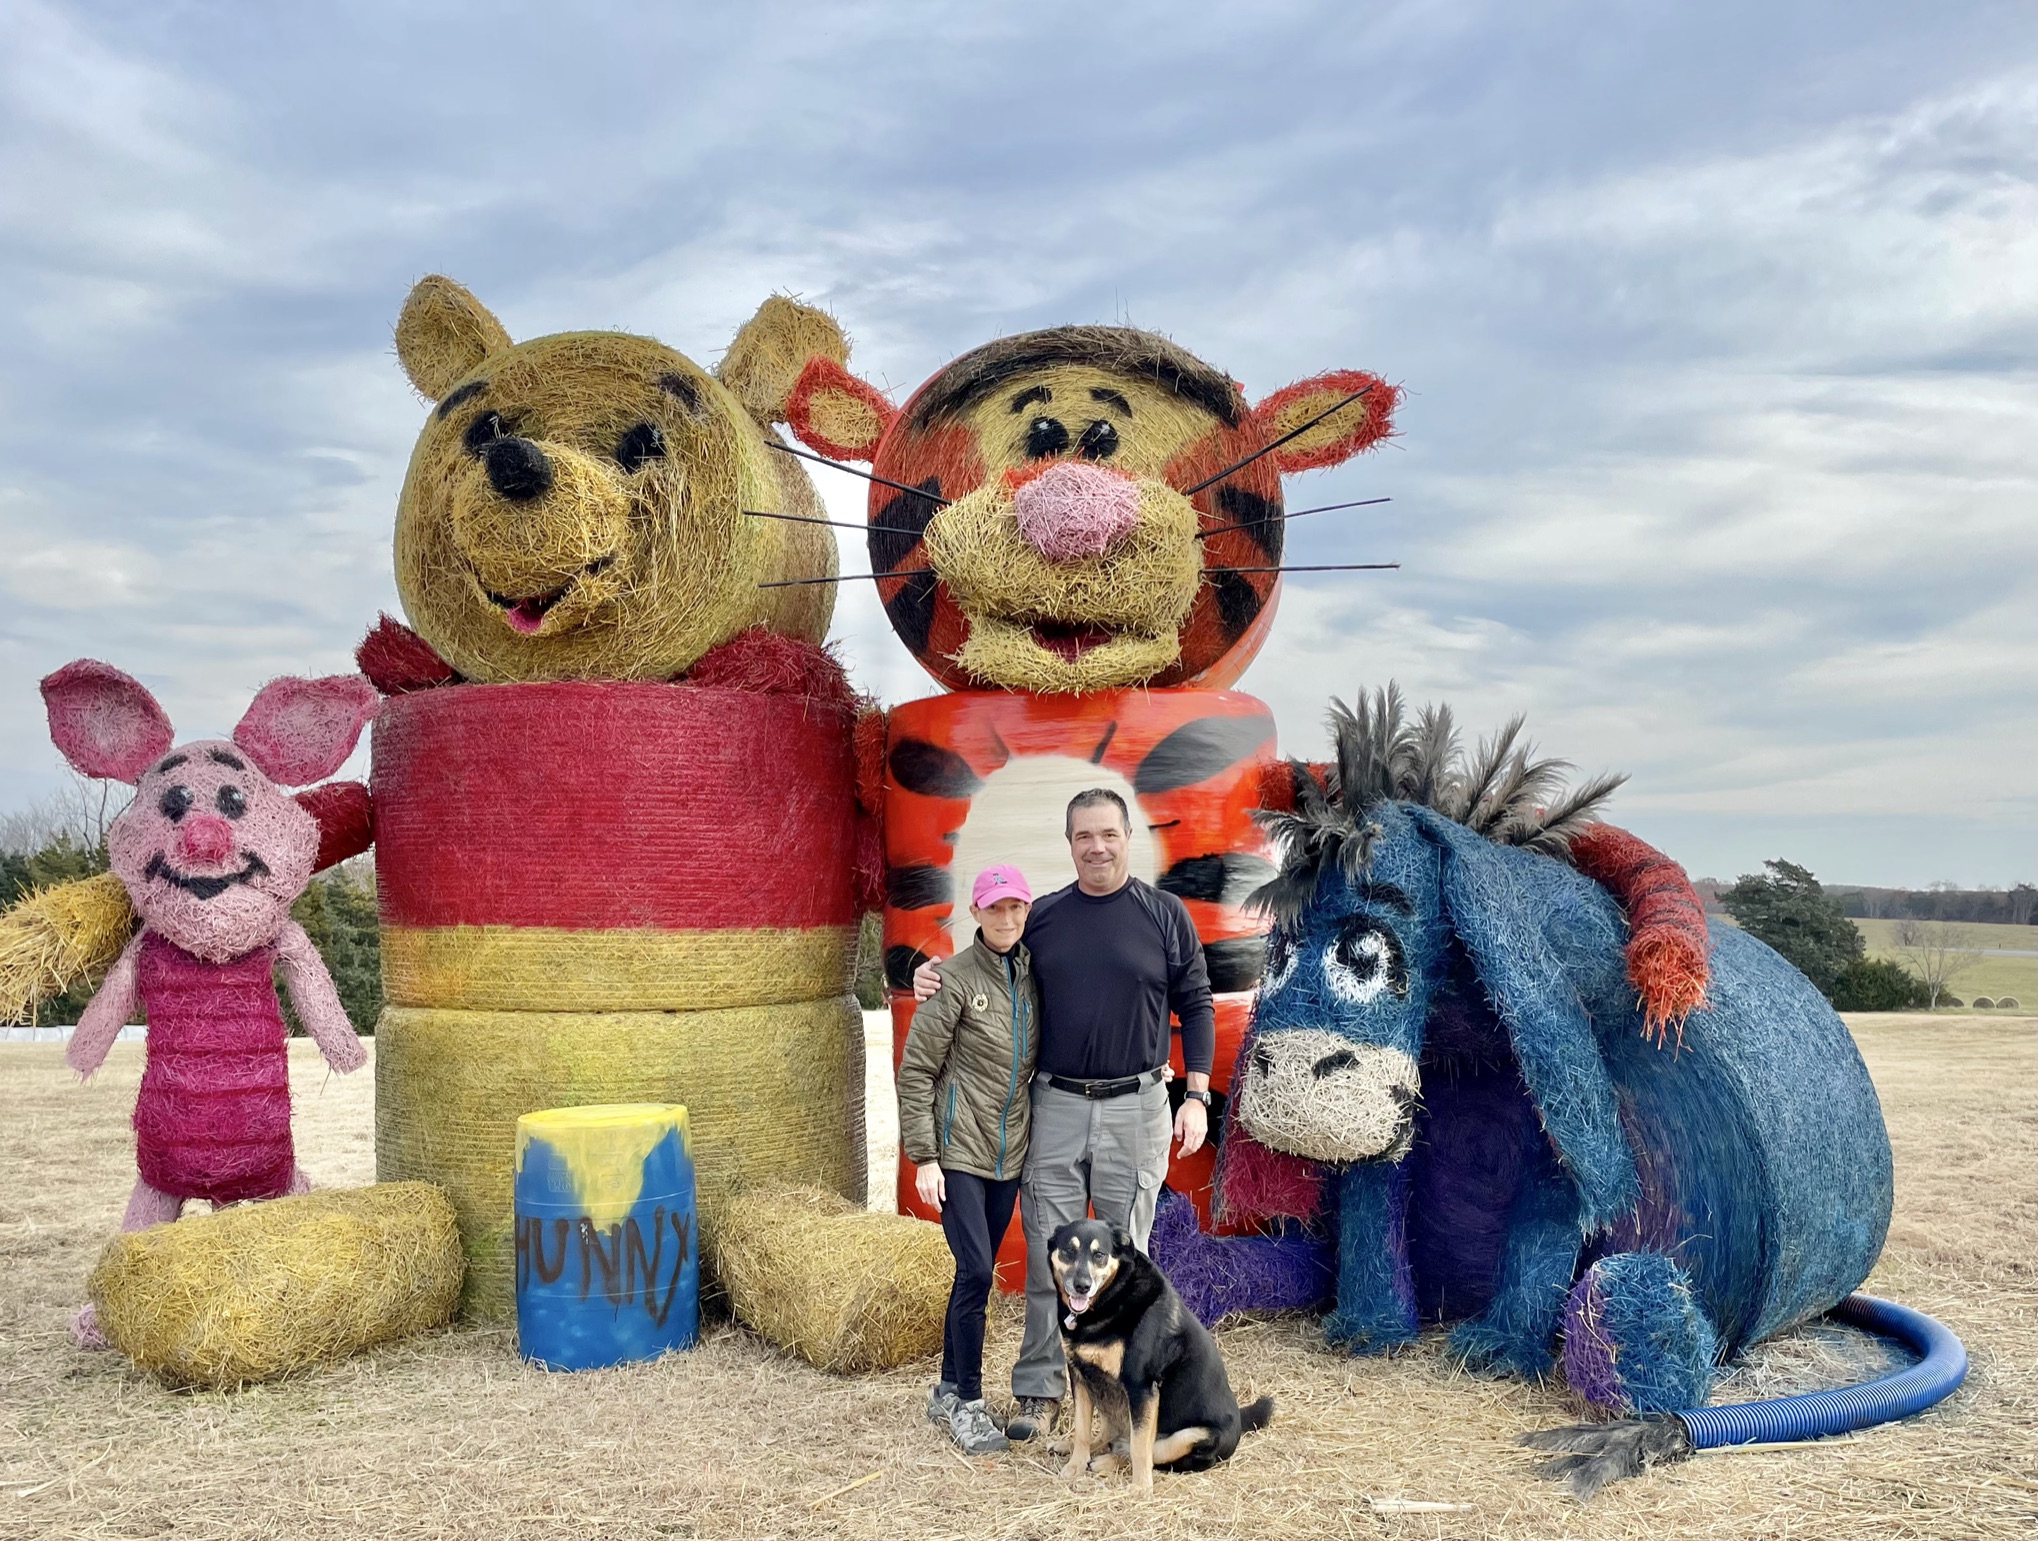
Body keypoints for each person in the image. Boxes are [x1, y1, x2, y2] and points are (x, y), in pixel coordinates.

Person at [912, 788, 1214, 1441]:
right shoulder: (1043, 916)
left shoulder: (1164, 914)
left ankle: (1115, 1397)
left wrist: (1196, 1094)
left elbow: (1196, 1001)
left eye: (1109, 833)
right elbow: (986, 962)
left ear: (1127, 835)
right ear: (1069, 841)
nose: (1097, 845)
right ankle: (1038, 1392)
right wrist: (929, 972)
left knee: (1120, 1262)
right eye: (1084, 835)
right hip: (1054, 1104)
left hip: (1138, 1105)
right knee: (1055, 1256)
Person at [895, 863, 1039, 1456]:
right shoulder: (952, 979)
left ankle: (946, 1390)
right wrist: (924, 1158)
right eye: (994, 908)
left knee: (970, 1274)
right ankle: (971, 1406)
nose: (1006, 919)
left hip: (1011, 1153)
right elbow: (917, 1071)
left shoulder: (1034, 973)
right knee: (979, 1271)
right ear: (976, 913)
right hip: (959, 1153)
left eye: (1016, 908)